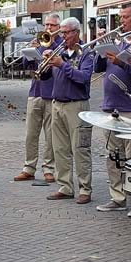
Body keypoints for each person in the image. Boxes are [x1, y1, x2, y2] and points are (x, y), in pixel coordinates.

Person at [94, 2, 131, 218]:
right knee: (113, 155)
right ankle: (117, 197)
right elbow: (98, 69)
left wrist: (120, 62)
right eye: (121, 17)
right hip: (110, 107)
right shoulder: (117, 41)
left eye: (126, 17)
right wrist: (100, 50)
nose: (122, 21)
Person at [44, 17, 97, 204]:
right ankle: (65, 186)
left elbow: (83, 77)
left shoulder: (86, 53)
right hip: (57, 103)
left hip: (77, 105)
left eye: (66, 32)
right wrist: (45, 65)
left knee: (80, 148)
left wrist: (62, 65)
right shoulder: (60, 52)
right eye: (62, 33)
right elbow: (46, 78)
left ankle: (85, 188)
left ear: (77, 32)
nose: (63, 36)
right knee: (60, 149)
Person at [14, 14, 60, 182]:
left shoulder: (60, 43)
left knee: (50, 135)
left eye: (52, 25)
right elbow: (27, 66)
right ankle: (29, 167)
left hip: (52, 93)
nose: (48, 28)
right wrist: (30, 52)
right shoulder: (40, 41)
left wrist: (50, 43)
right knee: (30, 134)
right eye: (46, 25)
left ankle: (49, 168)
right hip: (35, 92)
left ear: (59, 27)